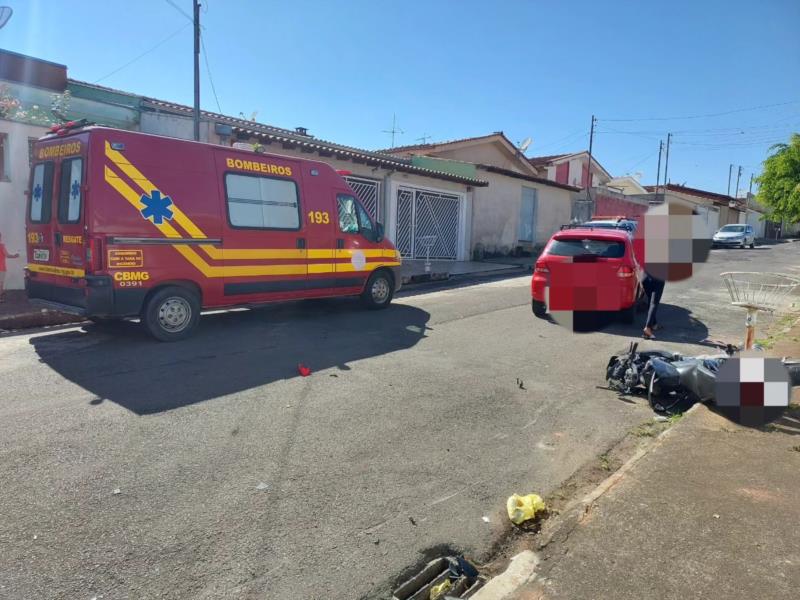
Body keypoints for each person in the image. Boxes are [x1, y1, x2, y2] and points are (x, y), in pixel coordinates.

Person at [642, 271, 665, 339]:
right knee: (654, 303)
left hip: (645, 277)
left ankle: (654, 324)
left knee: (650, 300)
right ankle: (648, 328)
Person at [0, 232, 20, 302]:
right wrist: (15, 256)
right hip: (1, 267)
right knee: (1, 282)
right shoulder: (1, 246)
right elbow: (7, 255)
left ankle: (1, 292)